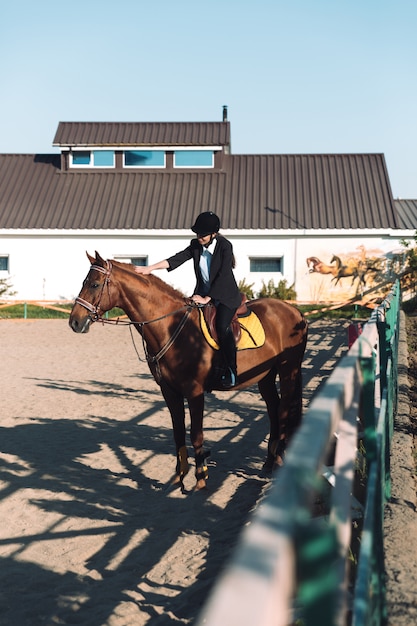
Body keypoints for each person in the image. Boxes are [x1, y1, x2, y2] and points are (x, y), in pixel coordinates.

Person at [134, 211, 241, 388]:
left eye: (203, 234)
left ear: (214, 233)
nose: (199, 237)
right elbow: (176, 259)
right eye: (197, 233)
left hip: (225, 296)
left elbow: (223, 275)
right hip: (202, 295)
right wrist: (150, 268)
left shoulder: (225, 246)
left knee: (222, 326)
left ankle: (231, 370)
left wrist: (208, 298)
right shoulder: (195, 245)